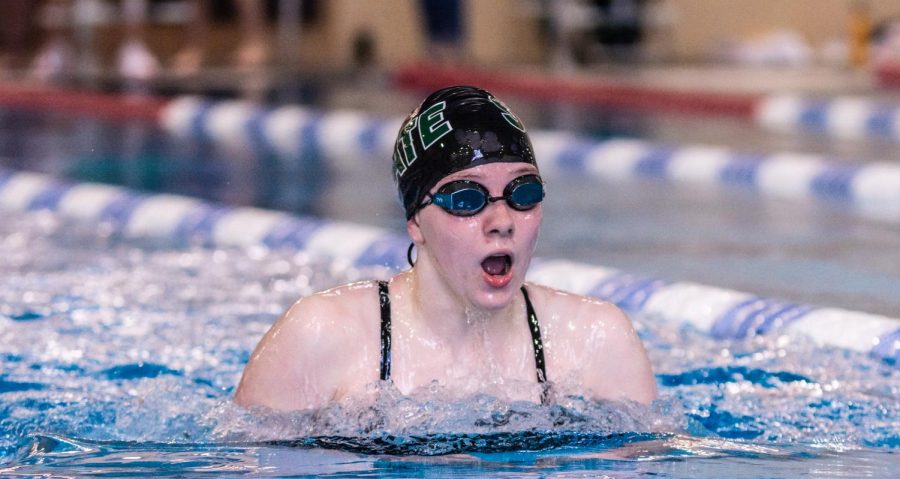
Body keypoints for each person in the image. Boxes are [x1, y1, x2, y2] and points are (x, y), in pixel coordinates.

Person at [234, 86, 656, 411]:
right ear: (415, 220)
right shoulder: (323, 336)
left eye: (522, 193)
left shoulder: (598, 341)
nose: (502, 221)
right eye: (467, 199)